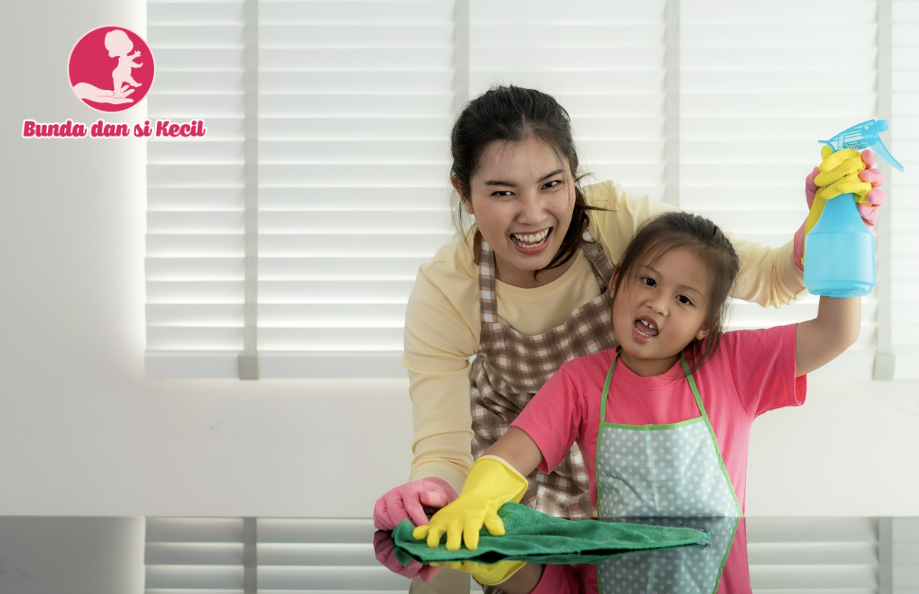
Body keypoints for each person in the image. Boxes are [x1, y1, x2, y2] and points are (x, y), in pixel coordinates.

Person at [373, 85, 885, 531]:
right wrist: (432, 495)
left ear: (575, 175)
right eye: (503, 192)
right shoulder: (447, 289)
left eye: (553, 184)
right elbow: (442, 448)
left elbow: (769, 276)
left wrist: (828, 224)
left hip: (628, 482)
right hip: (512, 484)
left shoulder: (618, 222)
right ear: (464, 193)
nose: (533, 214)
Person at [410, 211, 860, 590]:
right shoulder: (580, 381)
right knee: (500, 539)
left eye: (684, 299)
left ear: (706, 324)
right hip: (605, 582)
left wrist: (841, 226)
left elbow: (835, 332)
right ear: (618, 282)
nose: (659, 303)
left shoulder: (730, 365)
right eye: (648, 280)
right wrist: (475, 502)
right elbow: (509, 456)